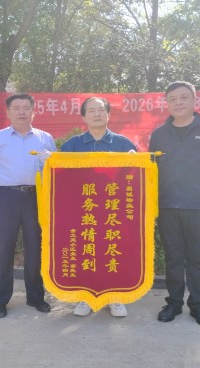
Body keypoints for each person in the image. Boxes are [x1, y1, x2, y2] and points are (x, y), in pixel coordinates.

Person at [149, 81, 200, 327]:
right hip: (167, 207)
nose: (178, 103)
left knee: (197, 259)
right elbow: (152, 169)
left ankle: (198, 305)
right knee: (173, 258)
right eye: (172, 99)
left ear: (195, 100)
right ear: (167, 103)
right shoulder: (159, 134)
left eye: (183, 97)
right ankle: (174, 303)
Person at [0, 93, 57, 318]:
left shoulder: (45, 138)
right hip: (6, 198)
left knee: (37, 249)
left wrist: (50, 163)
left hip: (36, 198)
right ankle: (0, 300)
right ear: (8, 112)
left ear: (34, 111)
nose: (22, 111)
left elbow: (55, 171)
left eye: (26, 107)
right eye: (17, 108)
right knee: (2, 250)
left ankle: (36, 297)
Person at [61, 96, 137, 317]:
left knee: (114, 252)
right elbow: (61, 175)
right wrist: (48, 161)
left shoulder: (123, 144)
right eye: (91, 111)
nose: (97, 114)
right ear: (84, 117)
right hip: (83, 210)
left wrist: (136, 161)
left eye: (101, 110)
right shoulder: (72, 145)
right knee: (86, 251)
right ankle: (85, 297)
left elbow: (137, 177)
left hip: (114, 210)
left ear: (108, 114)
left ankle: (115, 297)